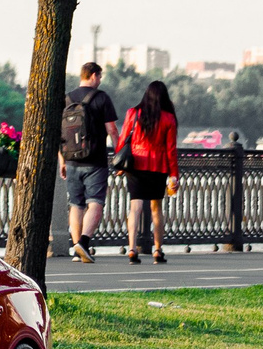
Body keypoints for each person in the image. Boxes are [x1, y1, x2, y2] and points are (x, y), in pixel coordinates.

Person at [59, 61, 120, 264]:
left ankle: (77, 248)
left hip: (71, 160)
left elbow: (59, 134)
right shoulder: (101, 98)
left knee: (76, 205)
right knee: (95, 202)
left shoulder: (66, 98)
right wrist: (119, 154)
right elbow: (112, 130)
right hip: (95, 160)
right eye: (99, 76)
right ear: (93, 75)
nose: (100, 80)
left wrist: (62, 160)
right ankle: (83, 243)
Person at [114, 79, 180, 265]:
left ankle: (132, 249)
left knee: (135, 208)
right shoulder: (168, 118)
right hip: (158, 167)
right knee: (156, 209)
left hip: (135, 165)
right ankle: (158, 251)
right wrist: (174, 174)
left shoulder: (133, 113)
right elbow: (171, 150)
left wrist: (120, 165)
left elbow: (123, 138)